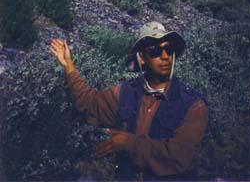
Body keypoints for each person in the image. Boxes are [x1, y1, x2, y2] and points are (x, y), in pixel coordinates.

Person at [50, 21, 208, 181]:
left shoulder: (192, 104)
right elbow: (91, 104)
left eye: (168, 49)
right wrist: (69, 67)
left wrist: (128, 143)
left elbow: (181, 156)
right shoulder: (126, 92)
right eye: (155, 50)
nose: (165, 56)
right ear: (142, 57)